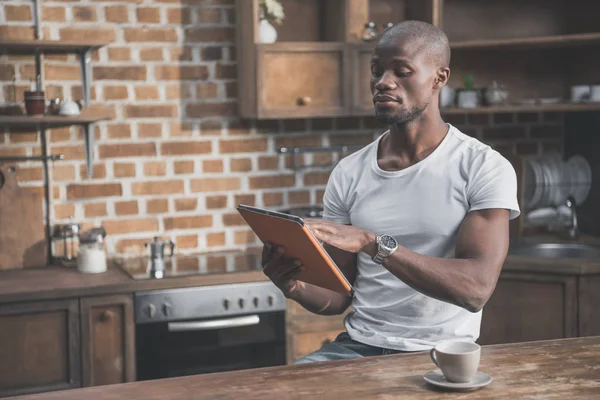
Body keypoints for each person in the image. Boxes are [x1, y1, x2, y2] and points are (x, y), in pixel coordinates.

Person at [261, 20, 520, 363]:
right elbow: (338, 297)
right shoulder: (349, 172)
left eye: (402, 71)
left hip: (440, 355)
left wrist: (373, 243)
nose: (383, 82)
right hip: (356, 349)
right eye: (376, 70)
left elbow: (476, 290)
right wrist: (295, 287)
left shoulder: (483, 167)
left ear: (439, 78)